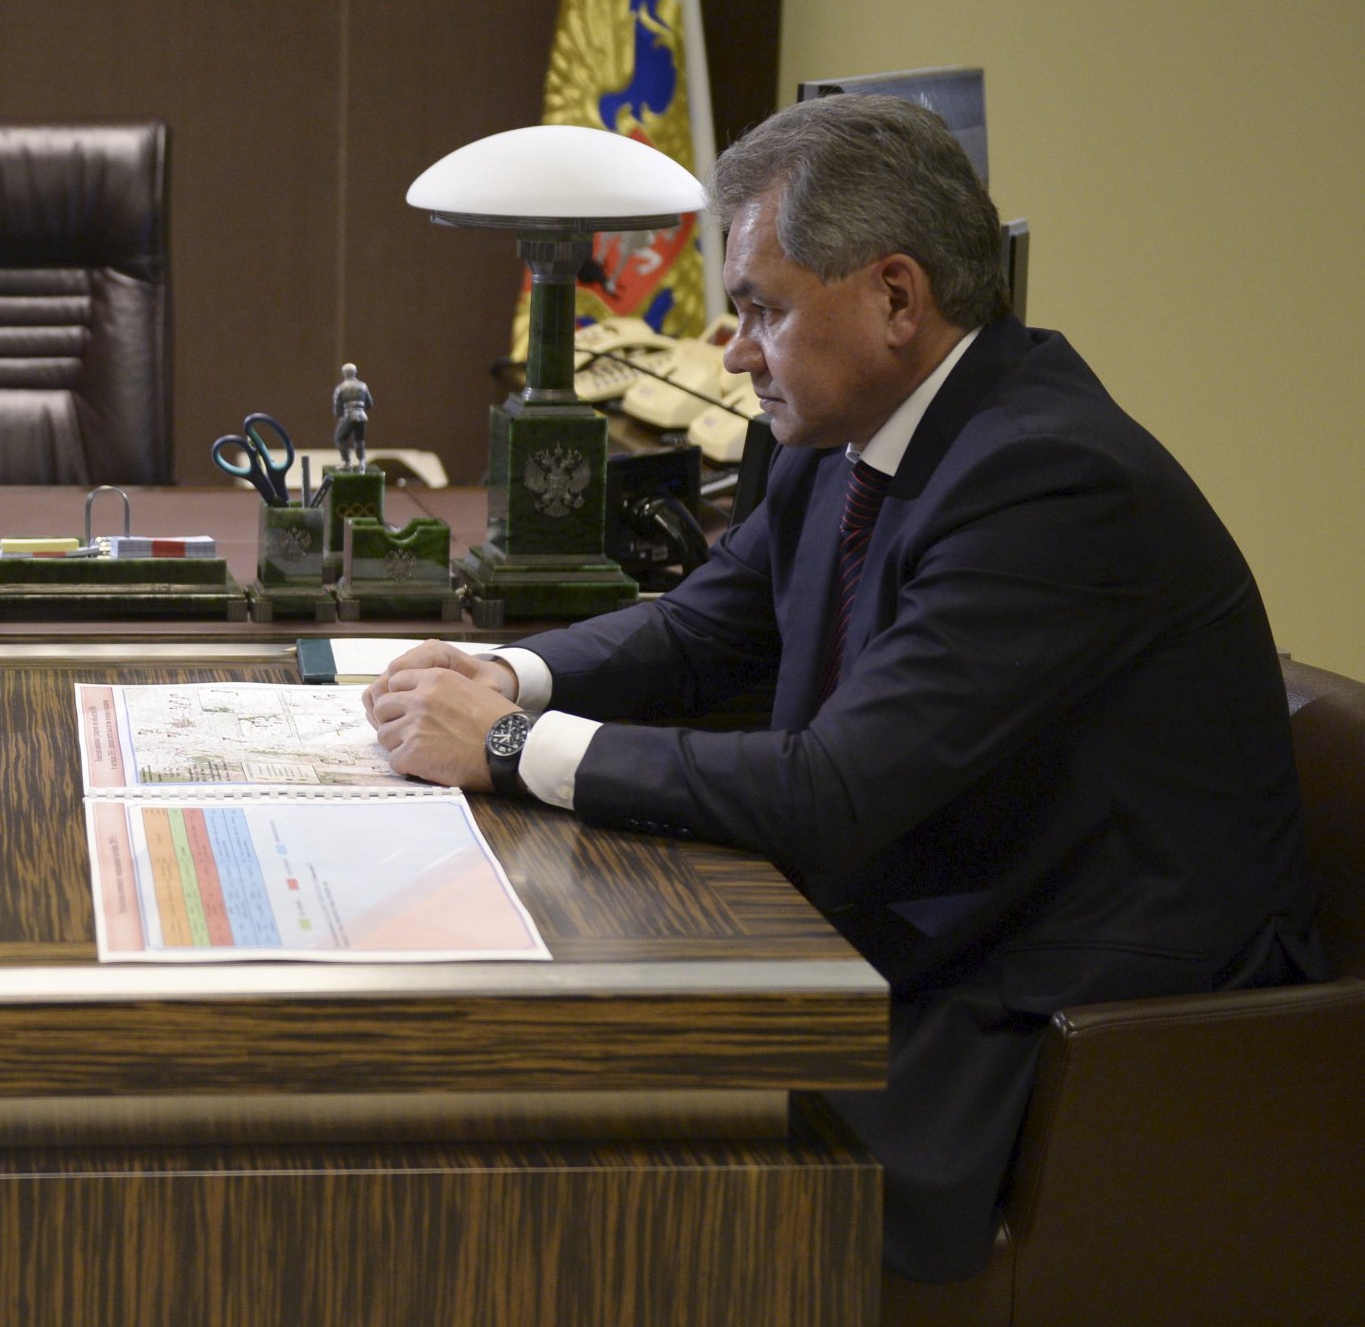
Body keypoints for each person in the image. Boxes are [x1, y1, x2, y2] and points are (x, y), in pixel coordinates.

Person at [364, 95, 1322, 1285]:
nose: (729, 351)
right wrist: (502, 670)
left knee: (629, 1146)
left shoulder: (1046, 478)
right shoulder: (853, 435)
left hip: (1080, 1021)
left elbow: (833, 786)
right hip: (948, 921)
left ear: (894, 299)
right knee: (573, 1087)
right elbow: (702, 629)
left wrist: (508, 745)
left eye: (759, 308)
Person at [332, 362, 371, 467]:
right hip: (362, 416)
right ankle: (362, 461)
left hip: (349, 416)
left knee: (340, 438)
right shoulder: (363, 386)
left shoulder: (341, 388)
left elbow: (337, 406)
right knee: (359, 439)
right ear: (355, 372)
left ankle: (347, 462)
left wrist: (340, 416)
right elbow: (369, 403)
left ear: (344, 373)